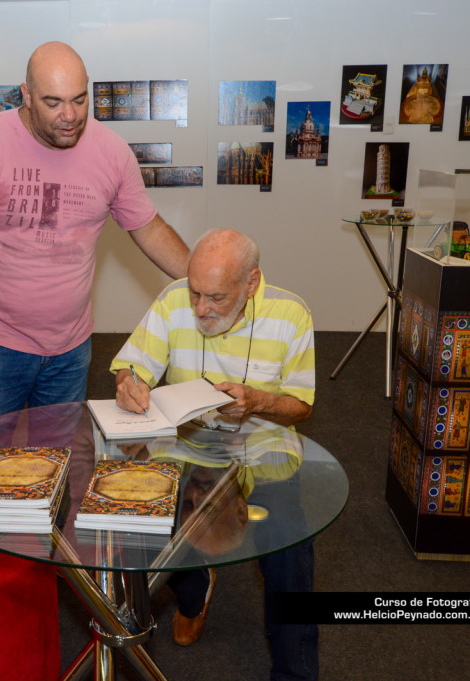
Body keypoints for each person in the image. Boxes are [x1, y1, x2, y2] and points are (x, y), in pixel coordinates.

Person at [0, 41, 189, 423]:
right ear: (27, 95)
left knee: (61, 454)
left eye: (79, 100)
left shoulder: (112, 153)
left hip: (70, 347)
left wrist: (202, 279)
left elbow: (148, 229)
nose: (70, 115)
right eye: (53, 103)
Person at [111, 228, 318, 681]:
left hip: (263, 450)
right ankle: (193, 588)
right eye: (195, 292)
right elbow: (131, 366)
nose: (201, 309)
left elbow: (301, 405)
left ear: (252, 283)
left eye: (216, 297)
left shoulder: (291, 314)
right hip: (187, 446)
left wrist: (258, 401)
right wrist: (129, 382)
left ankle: (294, 674)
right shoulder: (171, 301)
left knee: (290, 554)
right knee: (136, 520)